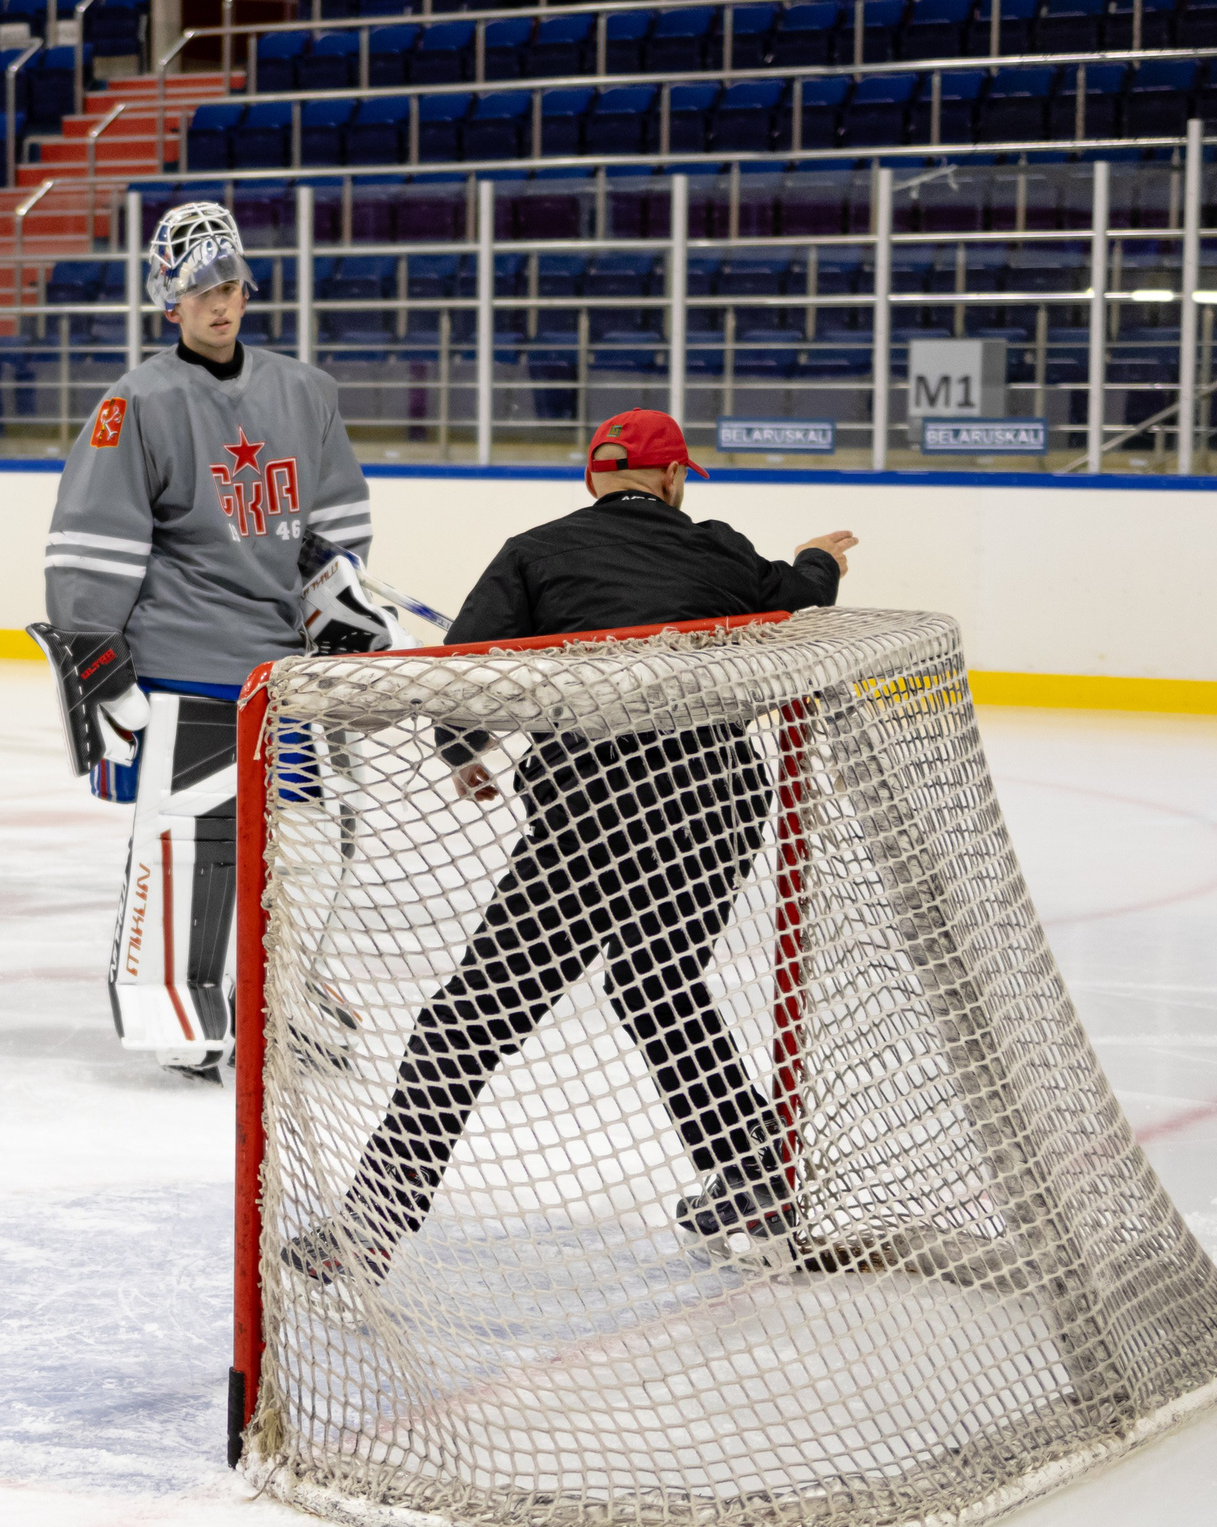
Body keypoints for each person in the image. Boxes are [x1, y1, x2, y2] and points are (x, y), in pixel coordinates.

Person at [286, 407, 857, 1284]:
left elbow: (466, 666)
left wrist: (464, 750)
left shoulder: (536, 552)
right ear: (674, 478)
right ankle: (752, 1181)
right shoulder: (719, 550)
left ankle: (372, 1225)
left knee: (468, 1018)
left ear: (593, 477)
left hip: (591, 809)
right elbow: (798, 597)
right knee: (660, 983)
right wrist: (820, 557)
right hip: (716, 803)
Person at [31, 202, 405, 1082]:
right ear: (169, 300)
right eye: (202, 289)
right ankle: (180, 999)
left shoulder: (304, 391)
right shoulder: (136, 403)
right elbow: (91, 538)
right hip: (185, 665)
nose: (221, 302)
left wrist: (335, 594)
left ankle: (287, 995)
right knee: (192, 845)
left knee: (307, 845)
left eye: (231, 285)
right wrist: (95, 650)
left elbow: (334, 524)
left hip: (281, 672)